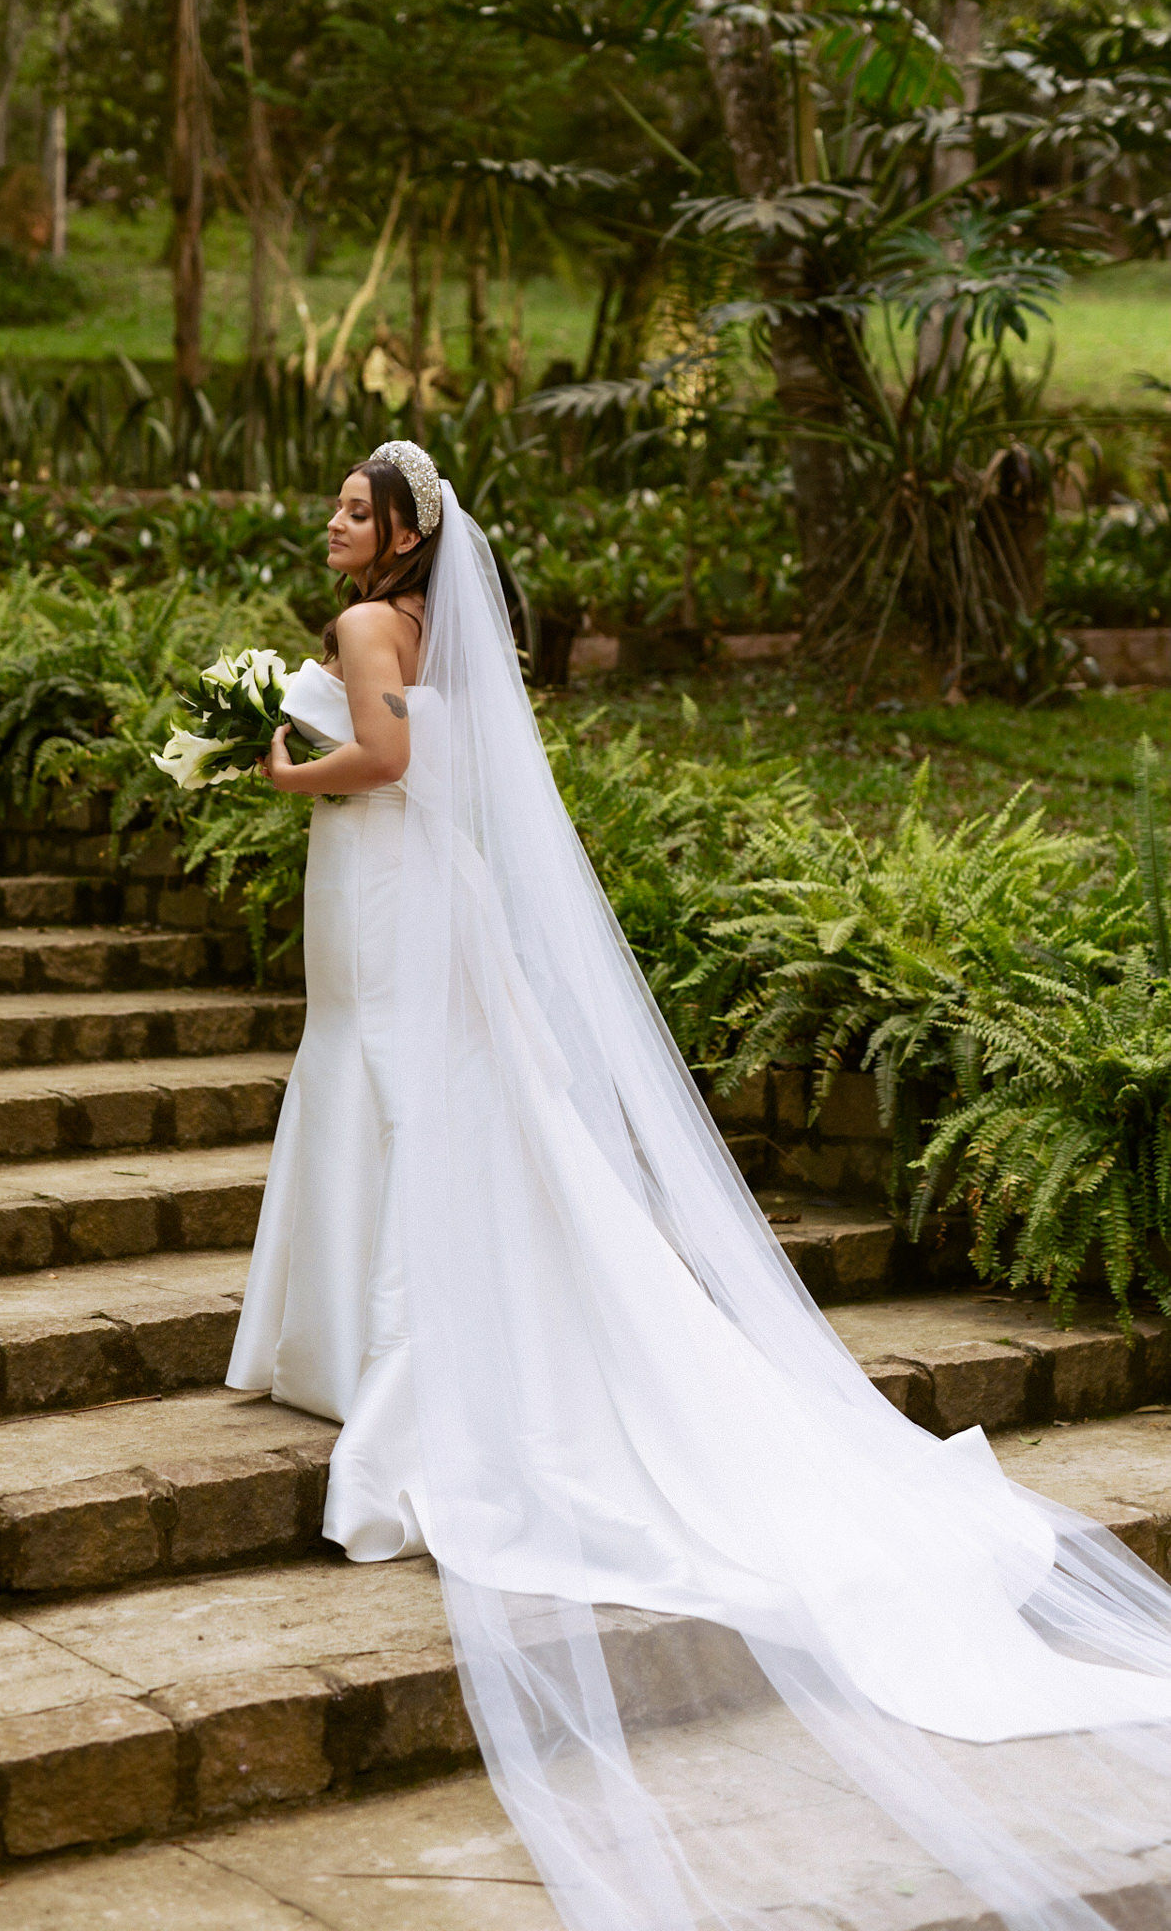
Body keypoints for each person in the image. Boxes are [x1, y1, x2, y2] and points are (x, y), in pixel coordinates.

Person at [230, 440, 1171, 1931]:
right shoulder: (425, 627)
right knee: (420, 1101)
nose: (333, 525)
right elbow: (438, 752)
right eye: (335, 506)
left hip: (381, 879)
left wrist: (279, 766)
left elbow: (391, 762)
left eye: (356, 509)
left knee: (388, 1090)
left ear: (405, 535)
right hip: (414, 888)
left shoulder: (362, 629)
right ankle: (364, 1340)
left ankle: (390, 1364)